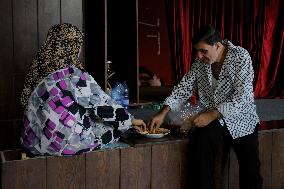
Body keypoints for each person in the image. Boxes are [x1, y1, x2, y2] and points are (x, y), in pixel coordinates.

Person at [148, 25, 263, 189]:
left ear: (217, 46)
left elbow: (242, 97)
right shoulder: (200, 62)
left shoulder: (240, 56)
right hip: (213, 117)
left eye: (203, 51)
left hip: (241, 117)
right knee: (201, 147)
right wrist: (163, 112)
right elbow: (184, 88)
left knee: (251, 169)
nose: (199, 55)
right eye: (197, 51)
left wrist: (211, 115)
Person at [20, 23, 146, 156]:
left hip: (32, 142)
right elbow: (102, 106)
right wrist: (130, 120)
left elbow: (24, 102)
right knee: (111, 126)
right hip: (63, 145)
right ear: (74, 47)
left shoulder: (35, 69)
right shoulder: (72, 74)